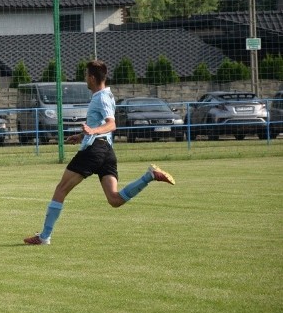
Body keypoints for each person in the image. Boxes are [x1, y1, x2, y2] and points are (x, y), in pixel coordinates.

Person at [24, 60, 175, 246]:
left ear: (93, 78)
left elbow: (111, 124)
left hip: (94, 150)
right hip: (107, 151)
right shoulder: (108, 95)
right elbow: (101, 123)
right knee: (114, 199)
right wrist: (81, 135)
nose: (85, 79)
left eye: (86, 75)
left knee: (61, 189)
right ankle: (149, 176)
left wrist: (93, 132)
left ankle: (44, 236)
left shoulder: (101, 98)